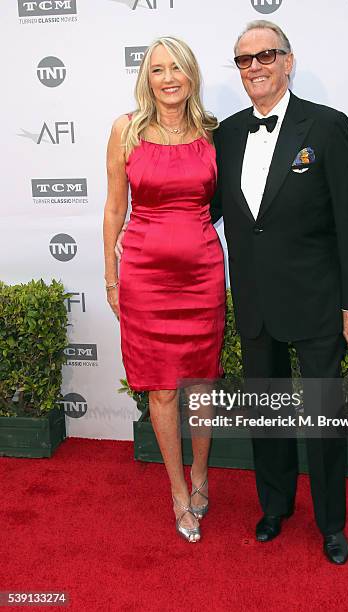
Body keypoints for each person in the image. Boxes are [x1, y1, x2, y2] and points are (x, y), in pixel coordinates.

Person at [210, 20, 348, 564]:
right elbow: (204, 211)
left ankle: (331, 523)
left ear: (288, 61)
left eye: (265, 55)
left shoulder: (326, 127)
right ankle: (275, 506)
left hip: (316, 301)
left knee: (323, 419)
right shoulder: (227, 134)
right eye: (243, 60)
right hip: (255, 303)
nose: (254, 67)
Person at [103, 36, 225, 543]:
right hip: (145, 279)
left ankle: (201, 473)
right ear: (146, 78)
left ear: (191, 75)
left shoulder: (213, 132)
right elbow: (114, 209)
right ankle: (178, 490)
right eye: (158, 70)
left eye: (177, 67)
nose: (169, 77)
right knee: (161, 387)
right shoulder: (125, 130)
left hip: (201, 275)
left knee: (202, 384)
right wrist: (111, 278)